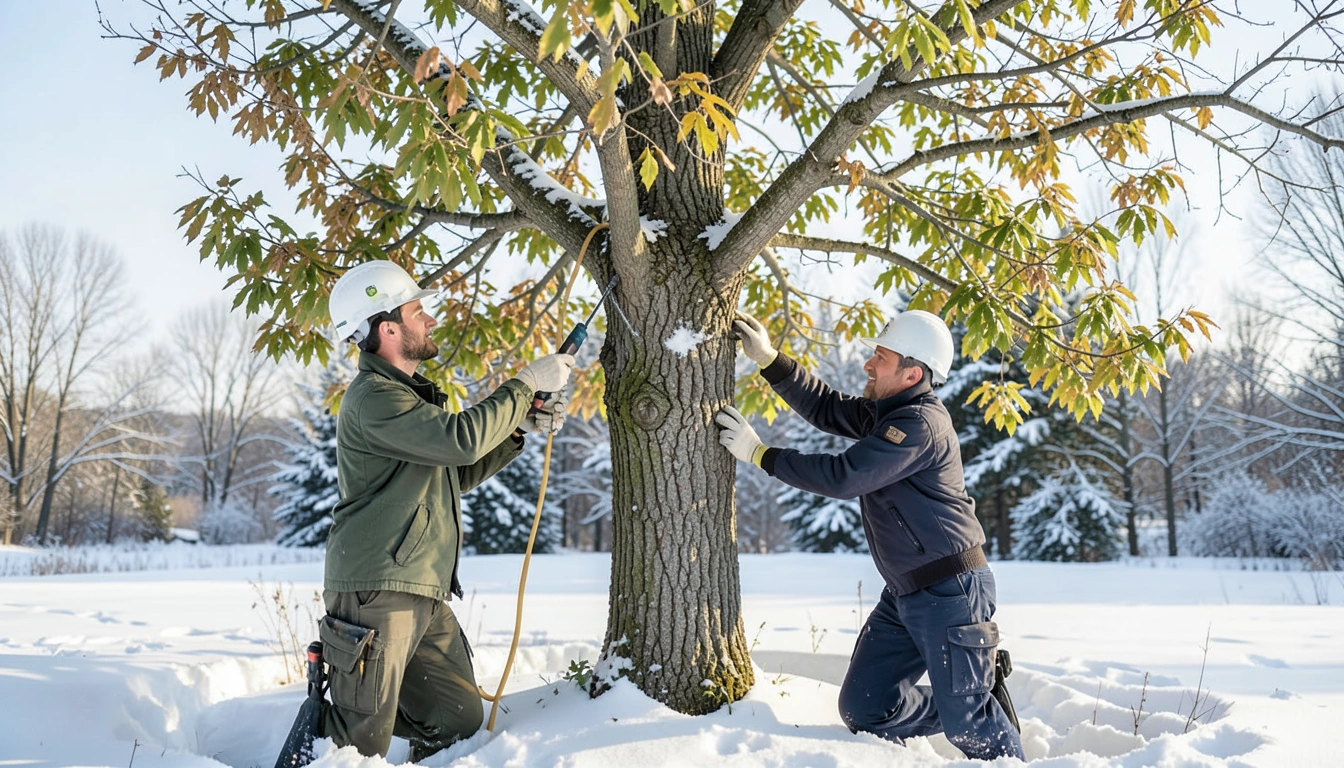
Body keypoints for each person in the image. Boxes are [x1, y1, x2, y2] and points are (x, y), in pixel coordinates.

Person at [715, 309, 1024, 761]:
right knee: (866, 708)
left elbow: (846, 476)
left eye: (880, 356)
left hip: (952, 590)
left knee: (971, 728)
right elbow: (825, 407)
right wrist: (769, 360)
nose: (868, 364)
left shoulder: (920, 425)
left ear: (912, 372)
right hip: (906, 592)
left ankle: (976, 708)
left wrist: (761, 454)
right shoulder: (888, 413)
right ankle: (971, 692)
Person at [319, 260, 574, 760]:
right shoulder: (373, 397)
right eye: (418, 311)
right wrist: (523, 386)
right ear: (387, 328)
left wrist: (518, 428)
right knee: (358, 740)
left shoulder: (404, 397)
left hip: (421, 585)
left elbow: (453, 476)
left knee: (456, 718)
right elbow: (461, 440)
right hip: (378, 589)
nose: (430, 320)